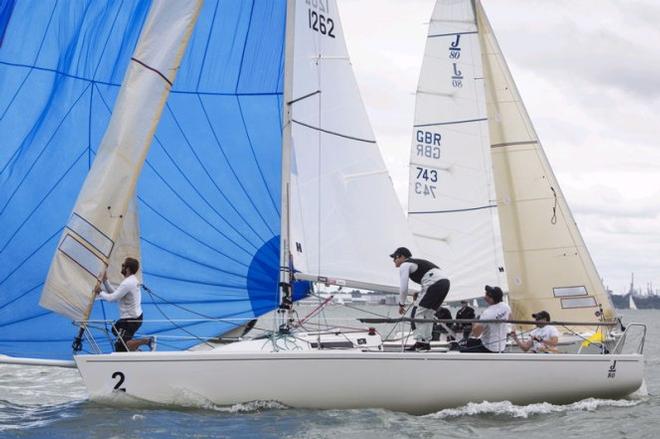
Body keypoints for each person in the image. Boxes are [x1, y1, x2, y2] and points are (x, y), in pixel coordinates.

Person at [390, 247, 450, 351]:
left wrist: (401, 304)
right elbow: (429, 278)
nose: (393, 260)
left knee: (417, 313)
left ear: (401, 256)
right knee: (428, 314)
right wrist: (421, 293)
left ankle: (420, 343)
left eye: (394, 258)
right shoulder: (416, 263)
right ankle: (425, 343)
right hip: (444, 283)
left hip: (434, 283)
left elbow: (404, 287)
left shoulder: (405, 264)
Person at [94, 257, 153, 352]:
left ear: (128, 269)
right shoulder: (131, 280)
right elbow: (116, 295)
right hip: (134, 318)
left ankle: (148, 341)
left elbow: (112, 298)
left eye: (123, 265)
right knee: (115, 329)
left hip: (131, 320)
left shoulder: (128, 283)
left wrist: (100, 292)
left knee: (121, 346)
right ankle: (134, 350)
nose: (121, 267)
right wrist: (105, 281)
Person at [463, 285, 511, 353]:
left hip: (488, 348)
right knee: (471, 342)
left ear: (490, 298)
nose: (484, 295)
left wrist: (475, 322)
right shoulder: (506, 307)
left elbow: (476, 334)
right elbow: (509, 318)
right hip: (501, 347)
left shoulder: (487, 313)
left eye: (486, 293)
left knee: (463, 349)